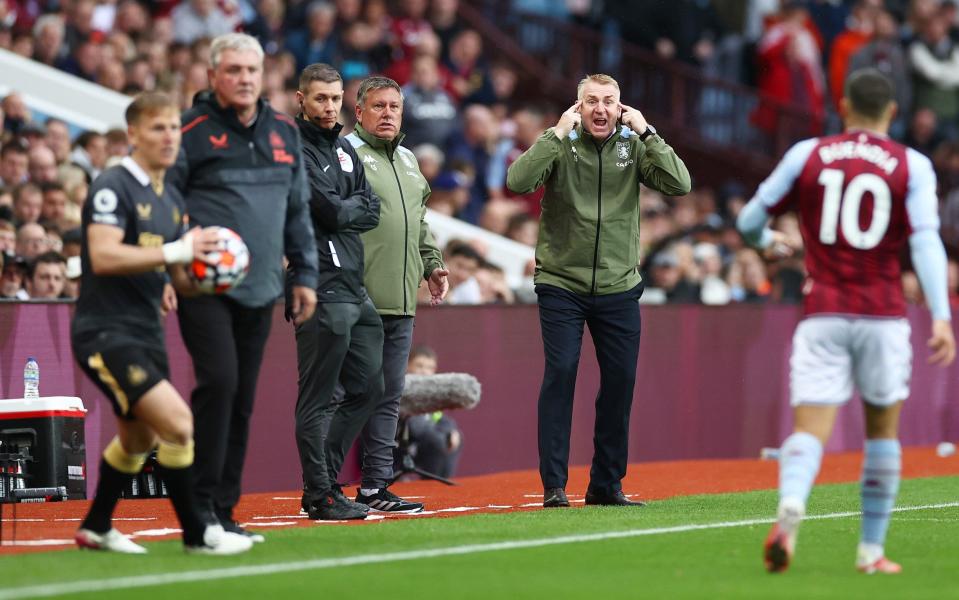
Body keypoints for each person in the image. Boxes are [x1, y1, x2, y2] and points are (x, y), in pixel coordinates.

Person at [736, 68, 956, 575]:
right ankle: (871, 551)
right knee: (882, 432)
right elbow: (925, 240)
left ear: (843, 105)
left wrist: (769, 244)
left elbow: (750, 220)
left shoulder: (807, 153)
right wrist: (941, 315)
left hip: (823, 311)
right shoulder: (912, 164)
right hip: (882, 314)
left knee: (810, 430)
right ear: (893, 114)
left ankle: (792, 504)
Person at [71, 91, 252, 555]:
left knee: (138, 437)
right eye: (157, 128)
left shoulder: (171, 196)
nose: (169, 137)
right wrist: (178, 252)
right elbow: (104, 254)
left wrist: (213, 274)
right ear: (133, 133)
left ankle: (96, 526)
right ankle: (198, 534)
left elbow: (176, 274)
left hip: (147, 330)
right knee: (177, 424)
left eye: (174, 127)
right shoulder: (114, 183)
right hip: (106, 330)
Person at [506, 73, 691, 509]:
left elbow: (680, 184)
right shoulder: (560, 143)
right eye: (592, 101)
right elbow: (517, 182)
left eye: (609, 101)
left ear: (621, 108)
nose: (601, 109)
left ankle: (605, 486)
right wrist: (554, 134)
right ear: (578, 107)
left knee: (621, 382)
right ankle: (554, 485)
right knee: (562, 372)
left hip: (619, 285)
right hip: (561, 284)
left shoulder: (636, 144)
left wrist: (650, 132)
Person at [167, 33, 319, 541]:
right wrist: (174, 253)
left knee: (243, 399)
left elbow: (297, 210)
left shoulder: (282, 130)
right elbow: (163, 201)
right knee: (221, 384)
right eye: (233, 70)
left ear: (264, 75)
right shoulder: (187, 131)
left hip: (262, 288)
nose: (244, 79)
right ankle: (202, 508)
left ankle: (224, 512)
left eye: (252, 70)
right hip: (202, 286)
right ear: (212, 77)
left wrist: (305, 274)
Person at [340, 75, 448, 513]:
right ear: (360, 110)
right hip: (355, 297)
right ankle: (324, 483)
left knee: (388, 397)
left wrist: (433, 262)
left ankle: (374, 487)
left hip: (401, 299)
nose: (387, 114)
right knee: (347, 395)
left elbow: (418, 223)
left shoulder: (408, 159)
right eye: (379, 106)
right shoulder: (344, 153)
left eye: (394, 107)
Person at [292, 63, 382, 521]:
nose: (329, 107)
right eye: (320, 99)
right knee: (318, 396)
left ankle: (325, 482)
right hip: (320, 284)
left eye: (334, 98)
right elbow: (326, 209)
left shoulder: (345, 147)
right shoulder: (294, 149)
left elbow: (372, 208)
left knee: (370, 386)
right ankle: (320, 492)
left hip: (353, 284)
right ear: (300, 100)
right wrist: (349, 208)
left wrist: (347, 208)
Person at [401, 345, 462, 479]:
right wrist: (442, 437)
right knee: (438, 440)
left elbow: (440, 418)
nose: (424, 372)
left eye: (430, 368)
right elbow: (415, 427)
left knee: (454, 436)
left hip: (423, 444)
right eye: (419, 365)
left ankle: (442, 482)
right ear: (407, 366)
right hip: (396, 449)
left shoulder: (430, 393)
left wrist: (450, 431)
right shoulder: (399, 387)